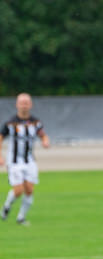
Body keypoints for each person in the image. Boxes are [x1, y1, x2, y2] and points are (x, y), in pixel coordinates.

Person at [1, 93, 50, 226]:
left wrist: (45, 141)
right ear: (17, 105)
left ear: (31, 105)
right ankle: (6, 206)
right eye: (22, 103)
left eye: (26, 103)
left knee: (29, 189)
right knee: (18, 190)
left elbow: (43, 135)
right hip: (15, 161)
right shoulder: (10, 123)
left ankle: (21, 217)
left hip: (30, 161)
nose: (24, 105)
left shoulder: (36, 122)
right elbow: (1, 137)